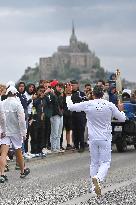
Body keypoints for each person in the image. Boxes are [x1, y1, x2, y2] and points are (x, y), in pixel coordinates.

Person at [66, 85, 126, 196]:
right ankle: (98, 179)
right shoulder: (109, 105)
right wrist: (121, 110)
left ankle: (94, 188)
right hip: (105, 138)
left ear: (93, 94)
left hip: (93, 138)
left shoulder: (88, 104)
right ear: (102, 94)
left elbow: (70, 107)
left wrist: (68, 95)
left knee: (94, 163)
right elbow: (122, 119)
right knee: (105, 162)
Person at [0, 86, 30, 182]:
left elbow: (1, 118)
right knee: (18, 151)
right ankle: (22, 171)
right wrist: (24, 133)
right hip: (16, 132)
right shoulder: (17, 104)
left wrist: (2, 130)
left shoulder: (2, 103)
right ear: (15, 94)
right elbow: (21, 120)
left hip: (4, 131)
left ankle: (2, 174)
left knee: (3, 153)